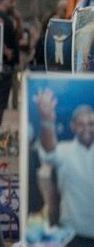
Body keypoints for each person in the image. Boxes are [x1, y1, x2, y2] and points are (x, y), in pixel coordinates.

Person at [33, 91, 94, 246]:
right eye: (81, 124)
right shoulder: (65, 150)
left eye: (90, 123)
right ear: (73, 126)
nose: (86, 128)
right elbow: (49, 151)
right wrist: (46, 120)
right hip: (72, 236)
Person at [0, 0, 19, 128]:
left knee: (0, 100)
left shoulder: (8, 16)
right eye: (10, 1)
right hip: (2, 65)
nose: (13, 4)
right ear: (2, 1)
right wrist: (4, 49)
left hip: (7, 65)